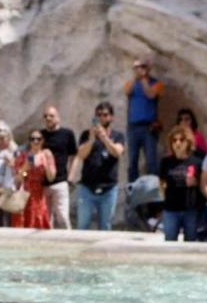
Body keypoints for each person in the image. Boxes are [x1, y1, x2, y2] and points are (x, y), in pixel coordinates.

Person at [75, 101, 126, 230]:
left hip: (108, 189)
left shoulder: (118, 136)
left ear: (111, 117)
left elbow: (117, 152)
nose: (102, 118)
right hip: (87, 187)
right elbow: (81, 155)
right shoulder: (86, 135)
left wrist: (105, 139)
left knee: (105, 226)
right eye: (98, 115)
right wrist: (92, 140)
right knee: (82, 225)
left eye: (105, 115)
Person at [158, 126, 203, 241]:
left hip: (190, 209)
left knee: (190, 243)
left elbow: (203, 185)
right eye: (174, 140)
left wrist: (196, 182)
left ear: (188, 142)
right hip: (171, 209)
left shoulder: (197, 162)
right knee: (170, 243)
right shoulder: (166, 162)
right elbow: (161, 183)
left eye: (181, 139)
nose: (177, 143)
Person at [124, 57, 164, 182]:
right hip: (133, 127)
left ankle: (153, 195)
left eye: (142, 67)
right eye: (136, 67)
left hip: (149, 127)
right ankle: (133, 195)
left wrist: (144, 80)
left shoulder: (157, 84)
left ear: (148, 68)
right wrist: (136, 78)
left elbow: (151, 94)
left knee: (152, 161)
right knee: (132, 162)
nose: (139, 70)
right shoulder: (131, 83)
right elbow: (127, 91)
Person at [40, 105, 78, 229]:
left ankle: (69, 241)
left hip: (61, 181)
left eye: (51, 116)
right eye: (45, 116)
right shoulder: (39, 136)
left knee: (62, 216)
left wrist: (71, 176)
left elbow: (74, 156)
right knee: (45, 218)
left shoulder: (67, 134)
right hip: (43, 183)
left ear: (58, 118)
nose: (48, 118)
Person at [13, 130, 56, 229]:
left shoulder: (46, 155)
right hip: (24, 194)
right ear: (29, 141)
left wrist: (46, 165)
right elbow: (18, 179)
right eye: (32, 139)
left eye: (38, 139)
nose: (35, 141)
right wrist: (25, 169)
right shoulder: (23, 156)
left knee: (39, 222)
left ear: (43, 141)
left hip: (39, 195)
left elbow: (51, 178)